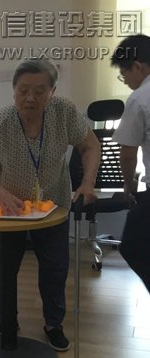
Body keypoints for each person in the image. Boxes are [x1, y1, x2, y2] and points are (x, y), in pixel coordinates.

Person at [0, 59, 99, 351]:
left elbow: (90, 145)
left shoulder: (64, 112)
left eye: (39, 91)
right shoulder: (0, 123)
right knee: (2, 268)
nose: (30, 98)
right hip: (6, 211)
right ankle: (4, 320)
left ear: (52, 92)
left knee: (54, 268)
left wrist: (88, 182)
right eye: (23, 91)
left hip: (52, 208)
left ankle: (53, 324)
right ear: (13, 92)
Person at [111, 34, 150, 292]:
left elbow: (127, 153)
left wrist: (128, 186)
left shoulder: (140, 98)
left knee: (133, 247)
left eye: (124, 74)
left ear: (138, 66)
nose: (125, 81)